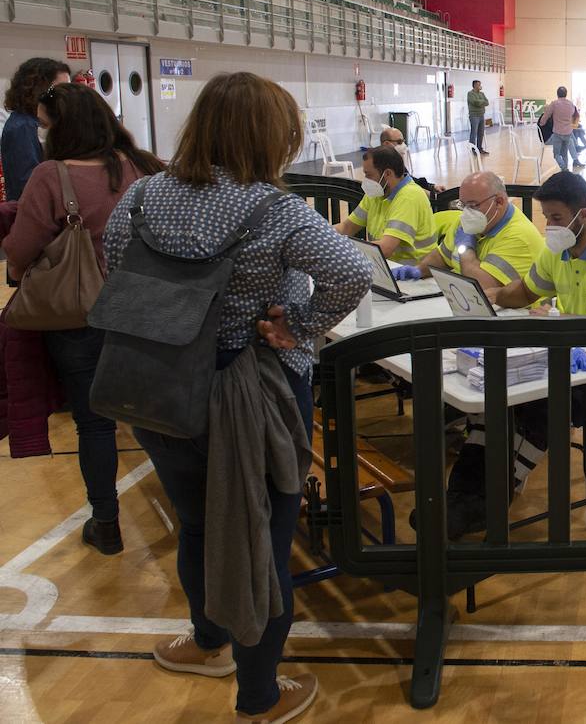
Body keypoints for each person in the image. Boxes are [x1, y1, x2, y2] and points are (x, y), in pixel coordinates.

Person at [103, 72, 371, 722]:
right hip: (252, 392)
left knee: (196, 523)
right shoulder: (272, 209)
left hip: (157, 388)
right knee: (261, 537)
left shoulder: (142, 197)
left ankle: (208, 641)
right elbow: (354, 271)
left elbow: (116, 263)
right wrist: (298, 326)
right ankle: (259, 694)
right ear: (270, 139)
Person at [431, 172, 586, 537]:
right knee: (496, 397)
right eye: (546, 217)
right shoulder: (558, 253)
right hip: (562, 361)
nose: (549, 226)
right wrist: (486, 295)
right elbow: (523, 293)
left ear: (583, 214)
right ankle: (461, 496)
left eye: (557, 218)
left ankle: (492, 499)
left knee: (535, 407)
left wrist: (564, 318)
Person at [2, 83, 162, 554]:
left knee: (94, 424)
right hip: (145, 309)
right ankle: (188, 506)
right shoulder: (142, 167)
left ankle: (107, 523)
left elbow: (21, 249)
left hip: (81, 314)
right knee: (157, 413)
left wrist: (17, 270)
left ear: (60, 127)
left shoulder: (52, 176)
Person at [419, 171, 542, 288]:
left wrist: (466, 250)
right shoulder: (468, 222)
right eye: (463, 205)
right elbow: (441, 257)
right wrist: (418, 271)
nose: (467, 212)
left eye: (473, 205)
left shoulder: (518, 237)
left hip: (512, 309)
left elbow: (483, 287)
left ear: (499, 202)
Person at [334, 144, 438, 265]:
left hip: (414, 274)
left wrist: (344, 249)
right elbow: (347, 227)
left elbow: (384, 249)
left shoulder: (409, 197)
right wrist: (322, 234)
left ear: (387, 173)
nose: (366, 180)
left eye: (369, 175)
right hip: (387, 268)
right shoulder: (376, 194)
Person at [2, 57, 71, 201]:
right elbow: (28, 183)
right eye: (60, 91)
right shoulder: (22, 127)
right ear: (39, 90)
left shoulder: (38, 124)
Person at [379, 127, 445, 198]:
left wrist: (432, 187)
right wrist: (433, 196)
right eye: (399, 142)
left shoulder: (396, 162)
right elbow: (403, 186)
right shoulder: (380, 166)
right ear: (386, 144)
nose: (404, 145)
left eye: (403, 141)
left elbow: (409, 179)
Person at [538, 86, 581, 170]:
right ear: (566, 94)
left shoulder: (554, 104)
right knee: (564, 153)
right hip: (568, 133)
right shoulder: (571, 104)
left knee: (556, 154)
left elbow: (546, 116)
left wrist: (541, 123)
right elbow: (573, 115)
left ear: (557, 94)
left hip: (558, 133)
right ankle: (565, 172)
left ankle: (564, 168)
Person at [466, 80, 489, 154]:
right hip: (474, 116)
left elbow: (487, 102)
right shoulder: (470, 94)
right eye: (479, 84)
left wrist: (480, 102)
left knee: (481, 133)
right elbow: (475, 102)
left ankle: (479, 148)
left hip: (481, 115)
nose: (480, 86)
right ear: (475, 85)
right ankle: (473, 149)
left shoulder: (482, 94)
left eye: (480, 84)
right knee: (474, 133)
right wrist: (482, 102)